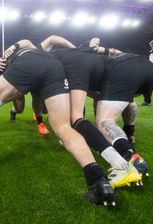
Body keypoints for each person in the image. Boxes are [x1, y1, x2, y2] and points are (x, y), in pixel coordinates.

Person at [0, 42, 116, 206]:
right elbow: (26, 42)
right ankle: (99, 182)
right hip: (55, 66)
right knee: (63, 126)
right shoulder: (28, 48)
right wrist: (14, 47)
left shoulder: (4, 61)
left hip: (28, 64)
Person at [36, 35, 142, 189]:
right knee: (116, 108)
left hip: (77, 67)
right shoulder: (81, 51)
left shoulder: (47, 58)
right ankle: (131, 154)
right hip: (109, 68)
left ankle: (121, 164)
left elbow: (51, 39)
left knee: (75, 118)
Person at [88, 38, 153, 176]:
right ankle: (129, 133)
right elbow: (99, 95)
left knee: (104, 121)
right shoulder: (102, 58)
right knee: (128, 101)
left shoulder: (80, 65)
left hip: (123, 70)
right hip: (148, 68)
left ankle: (129, 154)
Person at [0, 60, 50, 135]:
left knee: (44, 109)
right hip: (18, 86)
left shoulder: (33, 60)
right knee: (19, 109)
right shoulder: (7, 61)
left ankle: (40, 123)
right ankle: (13, 112)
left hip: (32, 81)